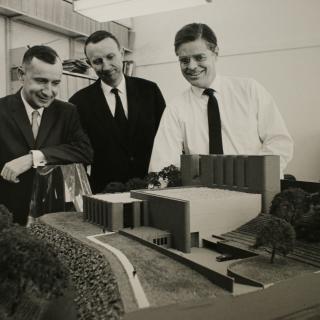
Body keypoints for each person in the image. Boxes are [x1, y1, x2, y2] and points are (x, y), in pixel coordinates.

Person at [149, 23, 293, 177]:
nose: (191, 66)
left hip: (255, 187)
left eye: (199, 57)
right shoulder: (175, 108)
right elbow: (162, 164)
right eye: (184, 60)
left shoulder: (249, 90)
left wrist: (253, 176)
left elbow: (279, 142)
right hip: (203, 194)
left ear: (215, 53)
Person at [0, 45, 93, 226]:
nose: (48, 91)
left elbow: (84, 151)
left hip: (54, 217)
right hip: (8, 220)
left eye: (55, 83)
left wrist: (34, 158)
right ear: (21, 75)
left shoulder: (67, 112)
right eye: (41, 81)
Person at [69, 30, 166, 194]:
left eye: (110, 57)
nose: (106, 66)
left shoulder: (149, 91)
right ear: (89, 63)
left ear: (121, 53)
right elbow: (79, 155)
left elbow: (165, 139)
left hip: (152, 190)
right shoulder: (78, 103)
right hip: (105, 194)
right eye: (97, 61)